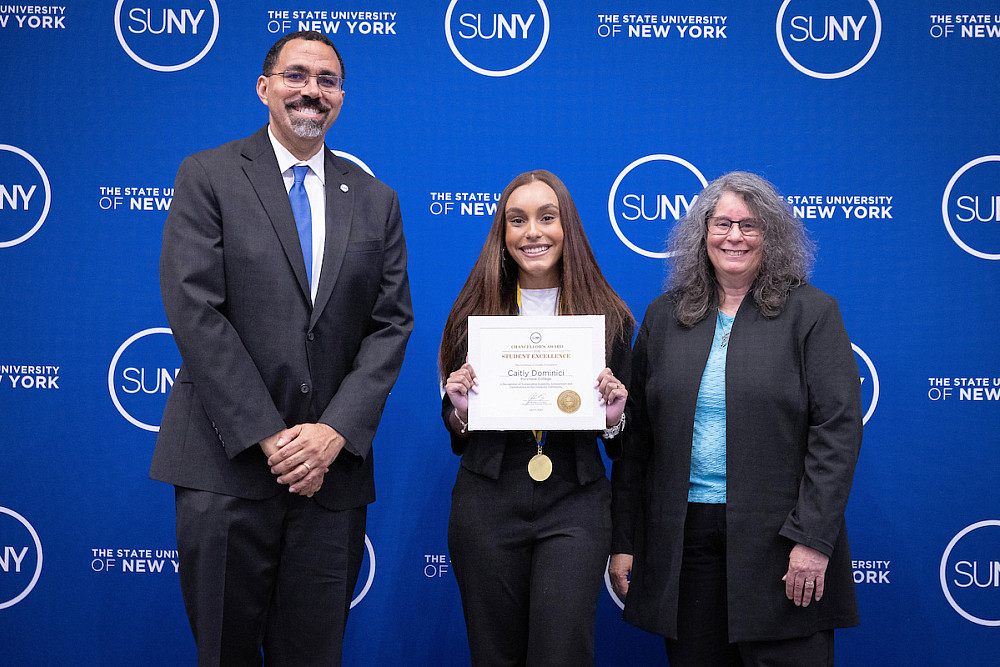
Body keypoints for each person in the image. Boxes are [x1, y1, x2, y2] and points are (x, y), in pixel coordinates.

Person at [150, 30, 413, 666]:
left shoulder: (375, 201)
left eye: (327, 81)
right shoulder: (208, 175)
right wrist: (271, 436)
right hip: (226, 466)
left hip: (329, 478)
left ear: (341, 99)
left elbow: (390, 325)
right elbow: (195, 309)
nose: (311, 92)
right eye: (297, 76)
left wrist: (332, 435)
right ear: (265, 88)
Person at [609, 171, 862, 665]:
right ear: (702, 234)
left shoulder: (812, 313)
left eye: (750, 226)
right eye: (722, 223)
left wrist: (812, 539)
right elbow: (637, 442)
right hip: (684, 544)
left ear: (772, 235)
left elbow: (837, 432)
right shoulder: (664, 317)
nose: (735, 237)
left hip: (782, 545)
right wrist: (625, 540)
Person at [439, 170, 634, 666]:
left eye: (547, 218)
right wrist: (462, 410)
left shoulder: (612, 317)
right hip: (487, 502)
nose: (533, 233)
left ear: (567, 226)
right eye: (517, 221)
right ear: (502, 237)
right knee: (494, 655)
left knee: (561, 653)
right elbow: (457, 432)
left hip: (575, 503)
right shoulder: (473, 313)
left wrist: (613, 416)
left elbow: (621, 442)